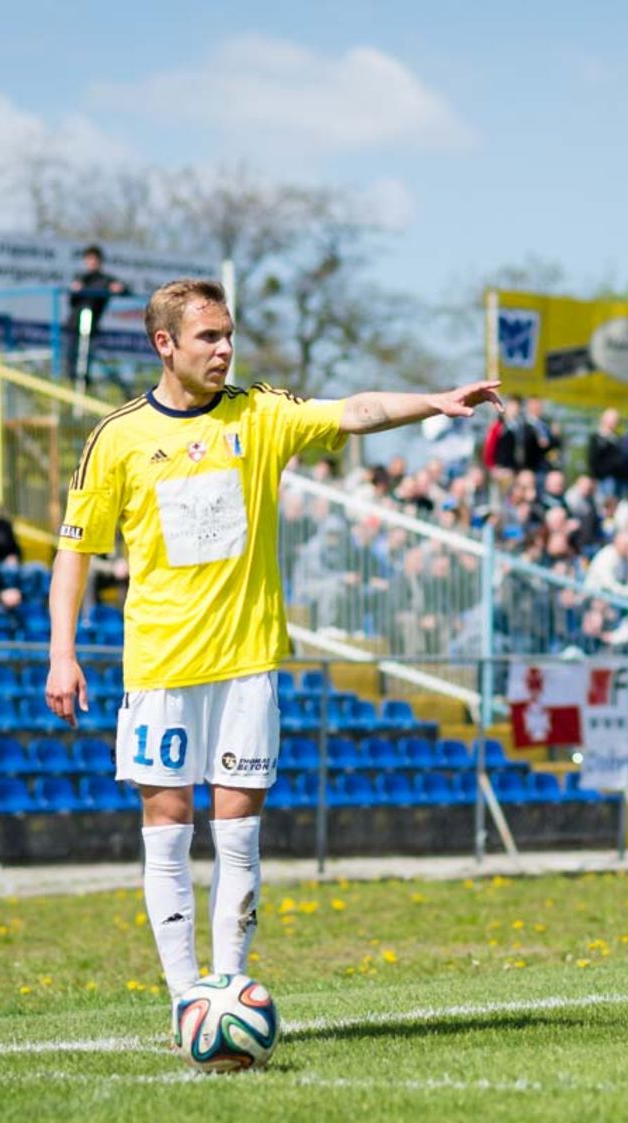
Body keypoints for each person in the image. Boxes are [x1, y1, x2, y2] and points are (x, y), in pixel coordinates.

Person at [44, 278, 500, 1029]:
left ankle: (229, 988)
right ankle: (185, 1000)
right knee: (167, 830)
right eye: (208, 338)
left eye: (229, 336)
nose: (224, 349)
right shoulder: (117, 438)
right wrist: (63, 654)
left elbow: (352, 411)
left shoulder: (258, 414)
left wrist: (433, 401)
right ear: (166, 344)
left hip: (248, 666)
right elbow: (75, 553)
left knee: (239, 835)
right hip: (159, 668)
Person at [64, 245, 129, 385]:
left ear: (100, 261)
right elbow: (71, 301)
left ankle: (85, 384)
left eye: (95, 259)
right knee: (70, 360)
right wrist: (75, 290)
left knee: (86, 360)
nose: (92, 262)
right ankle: (71, 382)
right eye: (89, 259)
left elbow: (125, 290)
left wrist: (120, 288)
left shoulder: (106, 280)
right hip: (73, 325)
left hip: (91, 326)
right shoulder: (80, 278)